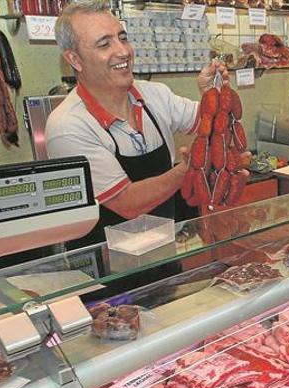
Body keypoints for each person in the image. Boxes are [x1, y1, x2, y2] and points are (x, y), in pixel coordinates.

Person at [45, 0, 231, 249]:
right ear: (75, 60)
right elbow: (127, 203)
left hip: (164, 256)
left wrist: (212, 97)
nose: (123, 51)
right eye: (105, 44)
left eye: (123, 38)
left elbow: (218, 127)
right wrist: (188, 169)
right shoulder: (67, 126)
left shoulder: (155, 95)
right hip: (107, 275)